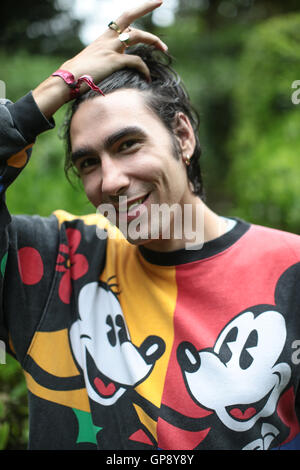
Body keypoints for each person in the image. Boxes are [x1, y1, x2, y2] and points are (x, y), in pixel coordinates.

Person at [1, 0, 300, 451]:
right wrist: (50, 92)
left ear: (183, 137)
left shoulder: (291, 270)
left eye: (128, 144)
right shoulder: (54, 263)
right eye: (87, 162)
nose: (111, 180)